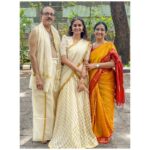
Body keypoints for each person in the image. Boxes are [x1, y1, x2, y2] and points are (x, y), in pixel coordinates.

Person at [48, 17, 98, 148]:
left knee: (79, 106)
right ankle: (66, 135)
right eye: (75, 25)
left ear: (83, 28)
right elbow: (63, 59)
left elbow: (86, 62)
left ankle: (79, 135)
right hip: (68, 76)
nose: (77, 27)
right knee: (67, 105)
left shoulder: (87, 43)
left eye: (79, 25)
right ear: (71, 27)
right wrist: (77, 69)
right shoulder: (65, 39)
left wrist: (82, 78)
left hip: (81, 77)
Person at [85, 21, 125, 144]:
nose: (99, 32)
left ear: (105, 32)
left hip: (106, 80)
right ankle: (95, 131)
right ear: (94, 31)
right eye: (97, 29)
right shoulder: (90, 46)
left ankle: (105, 132)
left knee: (106, 106)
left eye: (102, 30)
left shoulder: (109, 46)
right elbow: (86, 63)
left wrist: (95, 65)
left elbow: (114, 63)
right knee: (94, 105)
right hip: (93, 79)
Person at [28, 6, 61, 143]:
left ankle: (51, 133)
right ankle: (42, 136)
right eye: (46, 13)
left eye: (52, 14)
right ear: (41, 15)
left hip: (55, 71)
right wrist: (38, 77)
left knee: (52, 104)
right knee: (42, 105)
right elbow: (32, 55)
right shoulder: (36, 31)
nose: (49, 16)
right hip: (42, 72)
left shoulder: (54, 32)